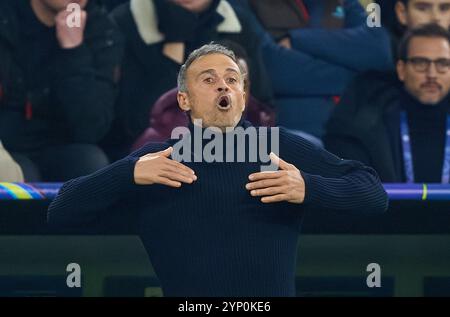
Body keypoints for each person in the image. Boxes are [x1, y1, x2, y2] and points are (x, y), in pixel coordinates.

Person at [48, 44, 388, 297]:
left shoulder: (277, 147)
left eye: (232, 79)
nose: (223, 86)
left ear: (242, 96)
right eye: (209, 80)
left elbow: (373, 193)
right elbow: (61, 210)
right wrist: (126, 174)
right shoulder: (158, 160)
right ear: (184, 100)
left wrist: (309, 188)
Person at [104, 0, 274, 157]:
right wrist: (175, 45)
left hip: (236, 149)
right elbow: (135, 121)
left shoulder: (238, 23)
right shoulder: (124, 22)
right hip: (152, 155)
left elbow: (262, 106)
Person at [0, 0, 123, 181]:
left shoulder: (102, 30)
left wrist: (73, 50)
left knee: (91, 164)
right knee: (19, 177)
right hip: (7, 143)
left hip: (61, 145)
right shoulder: (7, 17)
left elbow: (92, 128)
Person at [324, 24, 450, 183]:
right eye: (420, 63)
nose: (431, 74)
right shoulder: (365, 125)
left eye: (442, 64)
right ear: (401, 69)